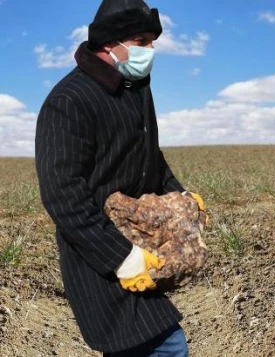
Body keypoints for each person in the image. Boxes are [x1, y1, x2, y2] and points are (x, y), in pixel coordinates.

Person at [34, 0, 206, 355]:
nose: (150, 51)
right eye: (141, 41)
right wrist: (121, 258)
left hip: (143, 245)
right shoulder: (68, 101)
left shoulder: (135, 89)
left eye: (152, 42)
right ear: (112, 43)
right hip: (100, 258)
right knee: (167, 346)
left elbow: (149, 156)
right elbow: (62, 195)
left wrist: (181, 195)